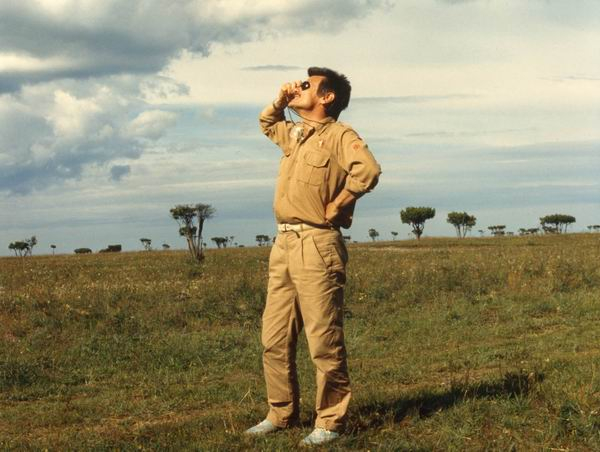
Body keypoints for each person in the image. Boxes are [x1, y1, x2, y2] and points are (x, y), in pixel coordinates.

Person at [245, 67, 381, 446]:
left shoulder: (339, 136)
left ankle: (330, 422)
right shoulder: (296, 135)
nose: (299, 88)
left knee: (323, 339)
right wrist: (281, 99)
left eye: (308, 85)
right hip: (284, 244)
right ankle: (280, 413)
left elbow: (368, 170)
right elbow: (267, 122)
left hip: (317, 245)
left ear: (327, 97)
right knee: (274, 336)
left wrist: (341, 202)